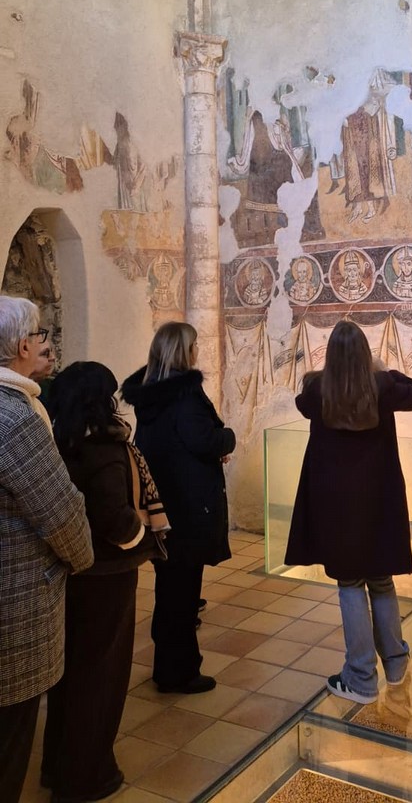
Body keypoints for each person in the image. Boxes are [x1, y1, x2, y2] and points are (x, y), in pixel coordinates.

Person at [42, 361, 167, 803]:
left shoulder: (61, 441)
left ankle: (58, 766)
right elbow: (115, 517)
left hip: (72, 572)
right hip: (107, 575)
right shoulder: (105, 448)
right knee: (101, 676)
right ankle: (87, 776)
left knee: (71, 672)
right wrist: (140, 536)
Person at [285, 320, 412, 704]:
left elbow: (302, 400)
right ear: (366, 354)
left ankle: (361, 676)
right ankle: (395, 663)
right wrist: (385, 371)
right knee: (381, 580)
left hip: (336, 504)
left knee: (350, 583)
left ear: (330, 355)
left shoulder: (317, 390)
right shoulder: (382, 387)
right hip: (378, 499)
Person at [0, 296, 93, 803]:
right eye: (38, 335)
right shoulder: (13, 419)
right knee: (9, 749)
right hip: (13, 609)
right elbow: (61, 513)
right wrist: (82, 558)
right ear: (21, 346)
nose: (43, 342)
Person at [122, 322, 236, 694]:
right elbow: (202, 440)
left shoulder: (153, 394)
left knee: (171, 590)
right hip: (188, 506)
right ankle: (179, 673)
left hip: (165, 502)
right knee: (182, 595)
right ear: (183, 351)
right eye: (194, 345)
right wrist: (227, 438)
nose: (197, 350)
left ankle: (168, 666)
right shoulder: (184, 394)